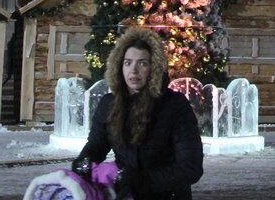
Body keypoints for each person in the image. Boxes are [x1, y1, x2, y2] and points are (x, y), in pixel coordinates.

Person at [75, 25, 204, 199]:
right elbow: (96, 146)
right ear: (119, 66)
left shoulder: (175, 105)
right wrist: (84, 162)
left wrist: (145, 180)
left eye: (142, 63)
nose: (133, 70)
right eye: (128, 63)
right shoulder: (109, 104)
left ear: (154, 67)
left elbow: (191, 167)